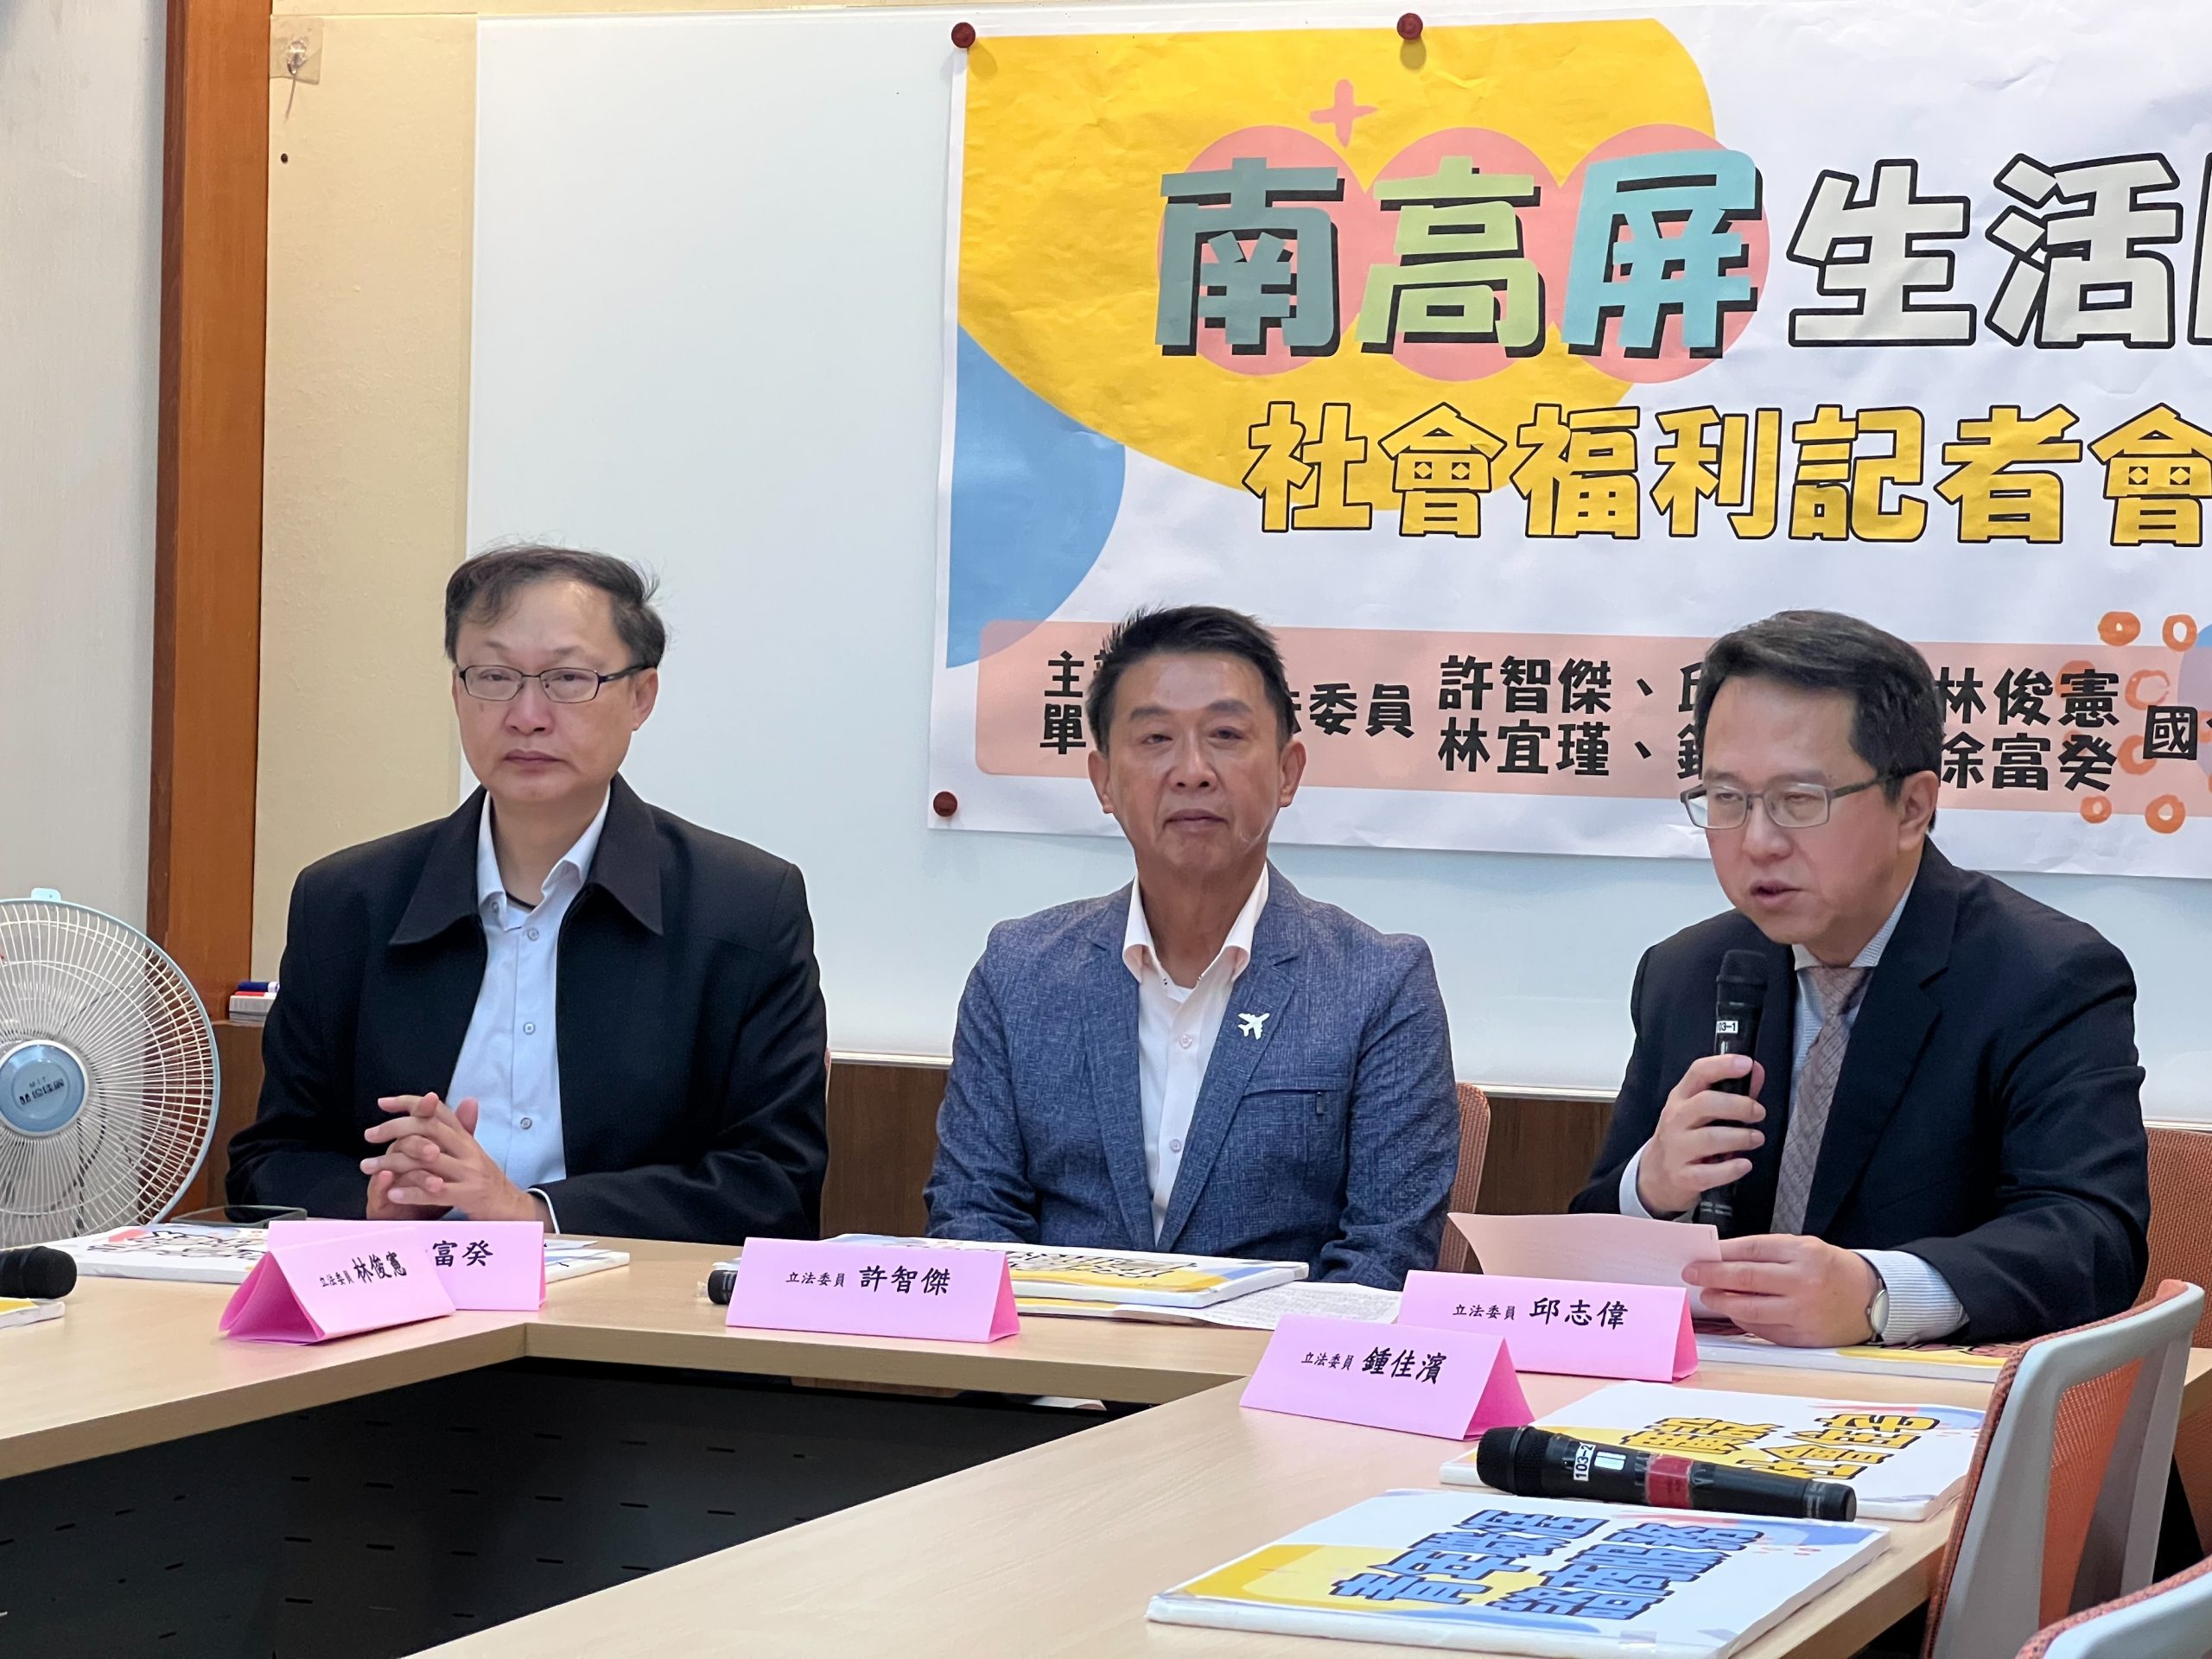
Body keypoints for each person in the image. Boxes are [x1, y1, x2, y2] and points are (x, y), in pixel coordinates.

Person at [1573, 610, 2149, 1344]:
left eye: (1799, 801)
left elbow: (2090, 1237)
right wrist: (1650, 1189)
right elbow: (1589, 1248)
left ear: (1913, 807)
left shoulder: (2046, 976)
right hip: (1711, 1393)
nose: (1758, 841)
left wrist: (1879, 1292)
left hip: (1937, 1398)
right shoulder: (1686, 972)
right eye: (1727, 799)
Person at [226, 544, 829, 1242]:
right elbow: (269, 1163)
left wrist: (531, 1214)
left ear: (640, 697)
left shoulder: (746, 908)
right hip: (400, 1295)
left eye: (568, 679)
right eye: (494, 677)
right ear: (457, 693)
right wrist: (373, 1202)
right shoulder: (346, 903)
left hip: (626, 1304)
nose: (527, 715)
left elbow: (774, 1185)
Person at [925, 605, 1460, 1287]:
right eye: (1155, 738)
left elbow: (1384, 1256)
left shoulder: (1379, 984)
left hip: (1274, 1355)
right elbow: (972, 1222)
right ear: (1103, 781)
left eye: (1226, 735)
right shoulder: (1019, 973)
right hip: (1052, 1352)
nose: (1192, 771)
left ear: (1288, 772)